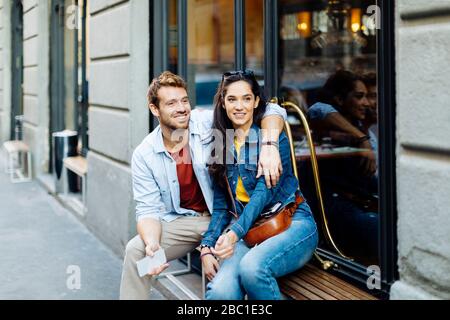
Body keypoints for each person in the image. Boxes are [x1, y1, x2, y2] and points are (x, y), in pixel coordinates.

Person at [119, 71, 288, 300]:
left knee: (225, 285)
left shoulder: (207, 123)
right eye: (171, 103)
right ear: (154, 109)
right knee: (138, 254)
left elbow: (273, 110)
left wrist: (269, 145)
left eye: (184, 100)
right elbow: (147, 210)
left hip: (227, 217)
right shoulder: (145, 154)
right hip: (185, 223)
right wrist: (152, 245)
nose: (181, 108)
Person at [199, 70, 318, 300]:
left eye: (246, 98)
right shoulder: (221, 143)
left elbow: (264, 193)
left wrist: (234, 234)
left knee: (252, 269)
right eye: (232, 99)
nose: (239, 106)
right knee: (220, 293)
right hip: (252, 231)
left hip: (292, 222)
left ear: (255, 101)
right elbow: (223, 206)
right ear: (223, 103)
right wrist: (207, 245)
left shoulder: (272, 138)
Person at [307, 70, 378, 261]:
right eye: (359, 96)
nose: (367, 103)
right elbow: (318, 108)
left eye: (368, 97)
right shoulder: (326, 120)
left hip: (357, 201)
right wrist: (361, 138)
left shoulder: (359, 124)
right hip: (334, 207)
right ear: (339, 99)